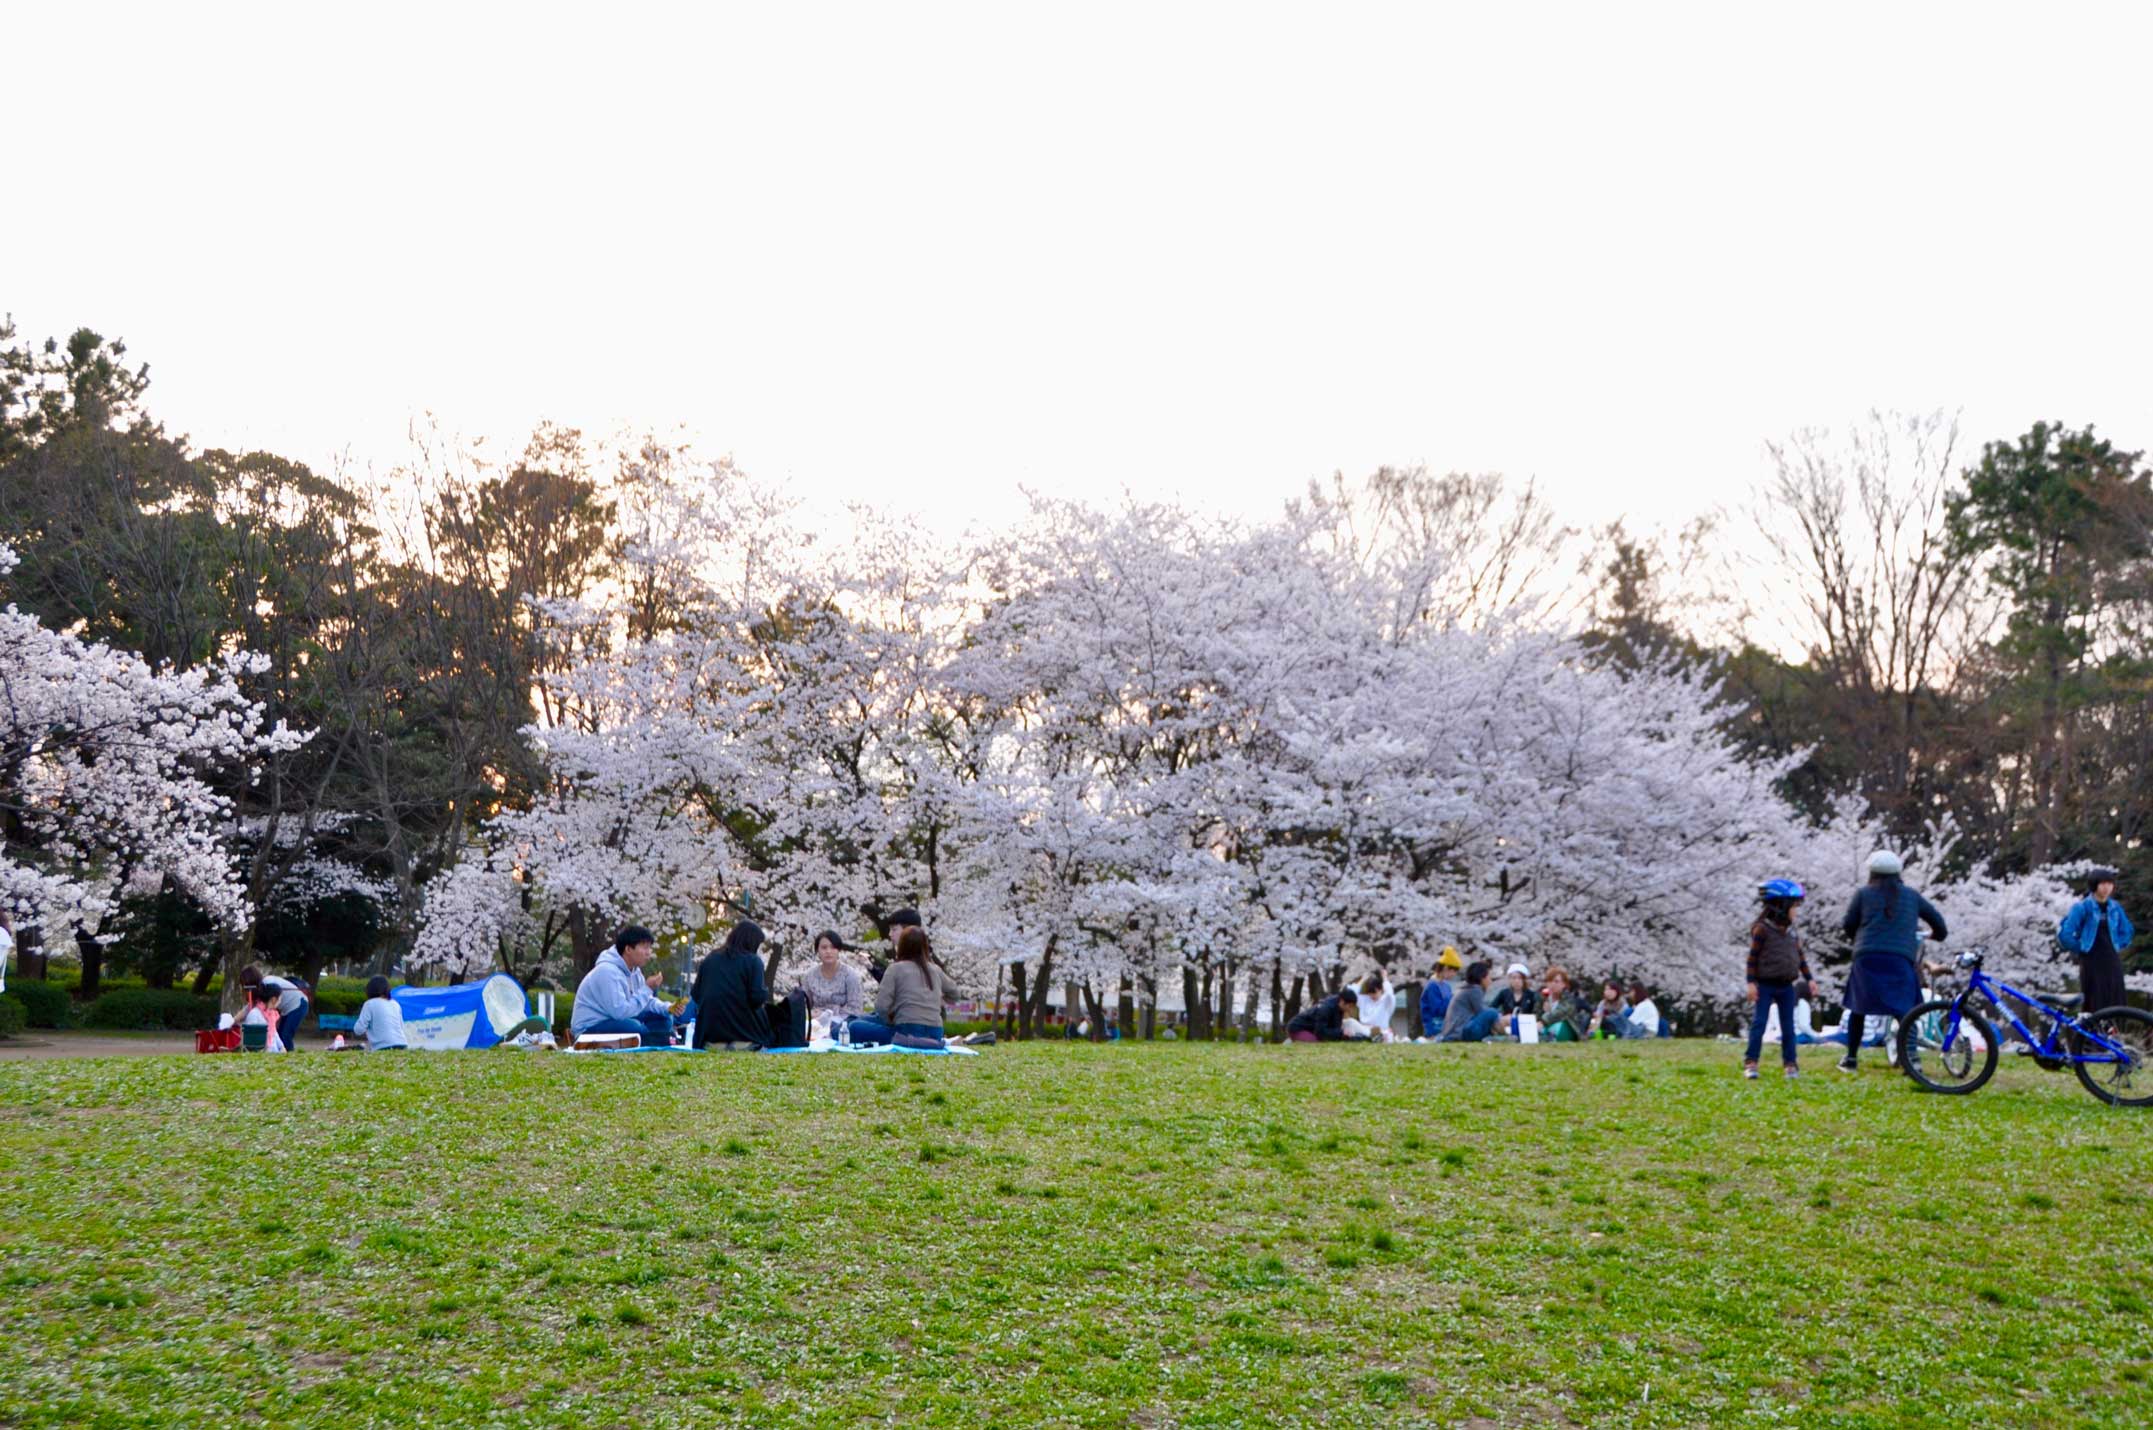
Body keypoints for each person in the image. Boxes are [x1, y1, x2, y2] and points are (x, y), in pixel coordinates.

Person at [1834, 850, 1946, 1073]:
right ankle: (1911, 1059)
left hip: (1867, 957)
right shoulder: (1912, 896)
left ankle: (1851, 1059)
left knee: (1858, 1008)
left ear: (1872, 872)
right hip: (1900, 958)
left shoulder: (1863, 894)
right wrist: (1933, 936)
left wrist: (1860, 938)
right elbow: (1940, 926)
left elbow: (1848, 924)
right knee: (1906, 1010)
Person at [1744, 878, 1816, 1079]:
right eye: (1793, 907)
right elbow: (1752, 959)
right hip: (1765, 985)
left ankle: (1790, 1064)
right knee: (1759, 1023)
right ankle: (1751, 1062)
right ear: (1780, 906)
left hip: (1787, 986)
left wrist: (1809, 978)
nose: (1796, 912)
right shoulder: (1762, 930)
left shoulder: (1792, 933)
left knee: (1788, 1027)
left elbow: (1800, 957)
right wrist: (1751, 983)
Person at [570, 925, 676, 1047]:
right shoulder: (607, 971)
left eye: (649, 948)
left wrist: (667, 1008)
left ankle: (649, 1040)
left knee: (664, 1018)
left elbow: (644, 1002)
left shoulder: (635, 972)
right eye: (644, 947)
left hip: (616, 1020)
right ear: (628, 949)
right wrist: (647, 988)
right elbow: (620, 1012)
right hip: (590, 1028)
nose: (648, 953)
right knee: (634, 1027)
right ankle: (655, 1041)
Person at [849, 926, 949, 1047]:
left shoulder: (896, 968)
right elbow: (955, 994)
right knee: (861, 1020)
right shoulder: (935, 969)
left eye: (894, 930)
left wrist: (891, 1020)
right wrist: (939, 998)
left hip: (904, 1030)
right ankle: (928, 1042)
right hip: (936, 1032)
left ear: (902, 946)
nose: (890, 934)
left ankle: (911, 1041)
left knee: (854, 1026)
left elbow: (881, 1007)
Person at [2058, 868, 2133, 1013]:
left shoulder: (2115, 907)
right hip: (2091, 960)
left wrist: (2118, 944)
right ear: (2094, 885)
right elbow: (2065, 934)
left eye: (2110, 884)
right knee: (2094, 1000)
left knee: (2116, 998)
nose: (2107, 888)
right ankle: (2090, 1034)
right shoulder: (2082, 907)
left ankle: (2113, 1033)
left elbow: (2127, 930)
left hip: (2112, 958)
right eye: (2102, 884)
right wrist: (2081, 948)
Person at [690, 920, 772, 1050]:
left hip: (709, 1035)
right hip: (746, 1036)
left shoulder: (710, 959)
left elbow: (696, 995)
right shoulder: (753, 961)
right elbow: (757, 999)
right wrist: (765, 992)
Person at [794, 930, 868, 1035]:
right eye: (824, 948)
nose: (828, 951)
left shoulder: (850, 975)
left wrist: (828, 1015)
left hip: (843, 1021)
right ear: (817, 951)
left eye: (833, 947)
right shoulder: (810, 975)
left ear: (838, 950)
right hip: (816, 1021)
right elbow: (805, 1004)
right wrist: (811, 1014)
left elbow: (855, 1009)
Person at [239, 965, 310, 1051]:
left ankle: (289, 1057)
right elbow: (250, 1006)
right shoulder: (261, 989)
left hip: (299, 1004)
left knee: (285, 1035)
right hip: (288, 1008)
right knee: (280, 1034)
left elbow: (250, 1007)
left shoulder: (267, 984)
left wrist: (233, 1020)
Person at [1436, 961, 1499, 1043]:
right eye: (1488, 977)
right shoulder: (1475, 990)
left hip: (1452, 1032)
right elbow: (1481, 1012)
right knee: (1492, 1013)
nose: (1490, 981)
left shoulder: (1467, 989)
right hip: (1459, 1032)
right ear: (1482, 978)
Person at [350, 975, 408, 1051]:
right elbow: (401, 1027)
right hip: (402, 1044)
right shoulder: (395, 1004)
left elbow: (358, 1030)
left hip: (382, 1046)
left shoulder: (369, 1004)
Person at [1286, 986, 1362, 1042]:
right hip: (1297, 1028)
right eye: (1350, 1006)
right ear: (1342, 1002)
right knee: (1318, 1044)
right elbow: (1320, 1032)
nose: (1350, 1009)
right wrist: (1341, 1033)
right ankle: (1290, 1041)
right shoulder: (1325, 1008)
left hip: (1312, 1029)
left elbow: (1334, 1028)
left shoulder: (1339, 1007)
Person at [1539, 966, 1589, 1042]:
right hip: (1547, 1027)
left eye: (1556, 981)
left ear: (1564, 984)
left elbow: (1560, 1013)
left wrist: (1543, 1020)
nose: (1552, 984)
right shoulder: (1544, 998)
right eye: (1550, 981)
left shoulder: (1569, 999)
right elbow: (1536, 1014)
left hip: (1567, 1029)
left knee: (1558, 1026)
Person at [1419, 947, 1461, 1037]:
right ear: (1445, 968)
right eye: (1453, 971)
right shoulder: (1432, 986)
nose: (1454, 975)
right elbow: (1437, 1010)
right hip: (1434, 1028)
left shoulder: (1446, 985)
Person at [1357, 971, 1397, 1041]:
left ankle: (1376, 1038)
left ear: (1381, 990)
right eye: (1370, 993)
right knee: (1349, 1022)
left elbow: (1390, 993)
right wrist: (1363, 979)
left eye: (1374, 993)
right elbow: (1352, 992)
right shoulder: (1364, 999)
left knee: (1386, 1034)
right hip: (1365, 1029)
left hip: (1381, 1031)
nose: (1372, 996)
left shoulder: (1386, 1000)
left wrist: (1385, 978)